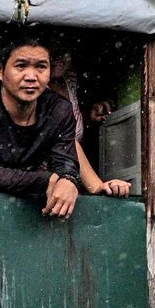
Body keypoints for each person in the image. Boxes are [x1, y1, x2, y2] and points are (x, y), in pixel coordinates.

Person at [0, 35, 120, 219]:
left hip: (37, 213)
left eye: (41, 67)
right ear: (0, 70)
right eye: (21, 66)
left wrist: (70, 180)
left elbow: (66, 162)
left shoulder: (59, 109)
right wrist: (49, 180)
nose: (31, 77)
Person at [49, 53, 133, 200]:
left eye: (62, 50)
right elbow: (66, 140)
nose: (58, 58)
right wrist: (95, 185)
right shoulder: (34, 91)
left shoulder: (69, 79)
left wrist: (89, 118)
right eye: (52, 51)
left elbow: (69, 137)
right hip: (47, 182)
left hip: (71, 176)